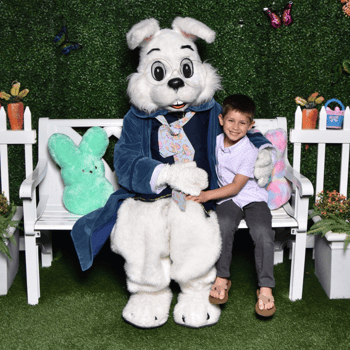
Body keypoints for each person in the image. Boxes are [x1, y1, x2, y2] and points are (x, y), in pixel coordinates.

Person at [186, 94, 276, 317]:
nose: (236, 127)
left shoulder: (249, 150)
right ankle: (222, 277)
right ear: (221, 120)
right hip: (227, 200)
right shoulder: (213, 144)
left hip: (251, 196)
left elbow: (236, 187)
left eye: (243, 122)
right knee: (223, 224)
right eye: (231, 121)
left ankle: (265, 286)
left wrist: (206, 196)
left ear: (251, 125)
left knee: (263, 232)